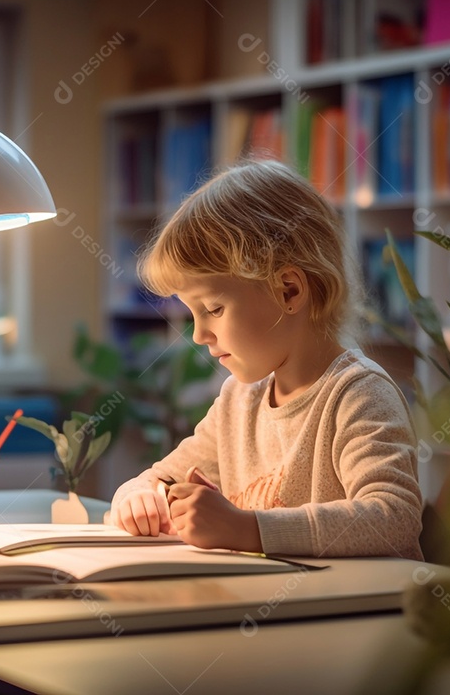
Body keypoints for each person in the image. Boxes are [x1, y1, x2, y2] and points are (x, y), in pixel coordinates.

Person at [109, 160, 424, 560]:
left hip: (369, 600)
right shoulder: (239, 402)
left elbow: (394, 517)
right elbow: (160, 477)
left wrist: (246, 529)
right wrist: (138, 496)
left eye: (214, 309)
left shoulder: (358, 395)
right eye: (193, 314)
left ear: (288, 291)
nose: (199, 335)